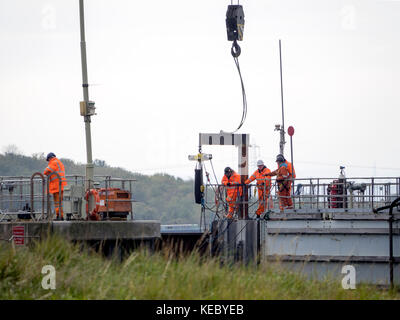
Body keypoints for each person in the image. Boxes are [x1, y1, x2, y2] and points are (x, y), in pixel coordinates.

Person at [43, 152, 67, 220]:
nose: (48, 162)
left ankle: (59, 216)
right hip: (61, 185)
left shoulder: (53, 162)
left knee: (57, 202)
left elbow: (45, 171)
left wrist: (48, 174)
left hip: (56, 185)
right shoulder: (59, 162)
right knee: (59, 202)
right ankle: (60, 216)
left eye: (48, 160)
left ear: (50, 158)